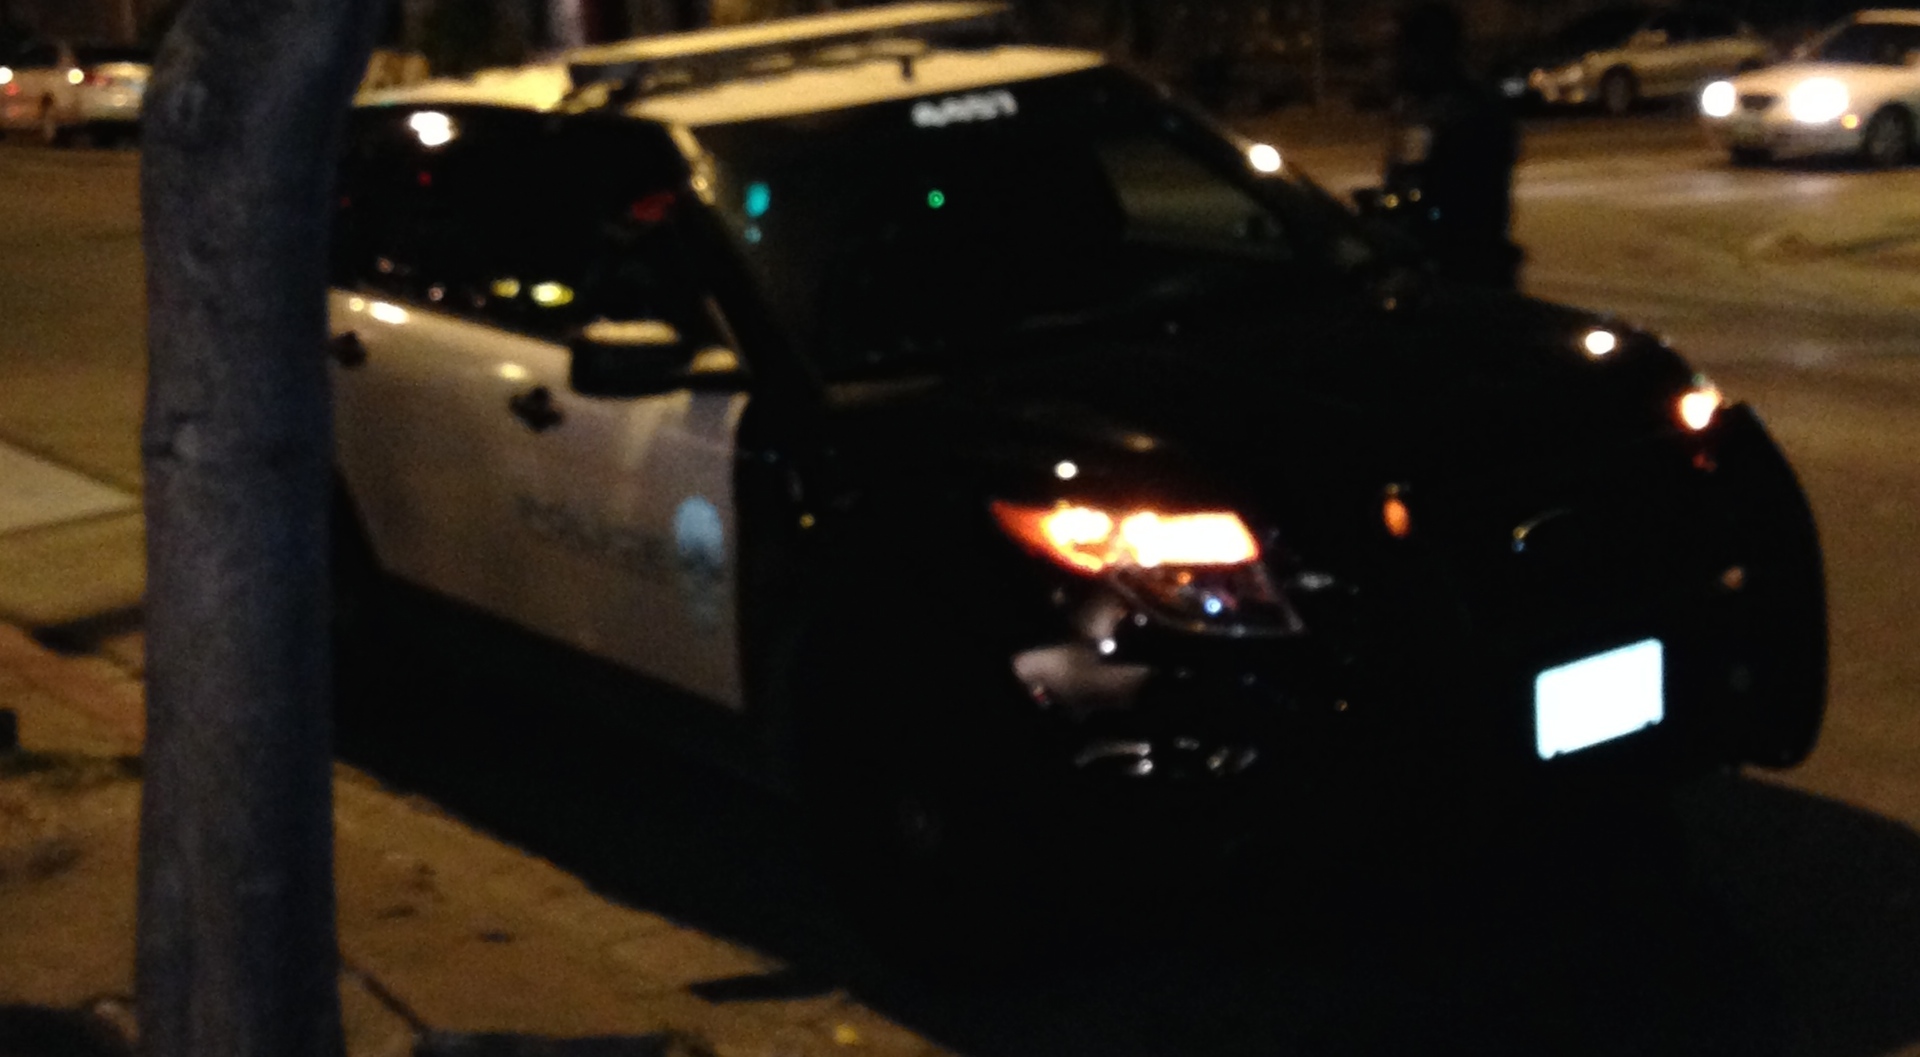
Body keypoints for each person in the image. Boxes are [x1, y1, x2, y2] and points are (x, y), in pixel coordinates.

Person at [1380, 2, 1521, 289]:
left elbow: (1420, 189)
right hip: (1462, 260)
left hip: (1455, 269)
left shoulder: (1451, 113)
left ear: (1425, 54)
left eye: (1401, 51)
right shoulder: (1436, 107)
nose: (1393, 62)